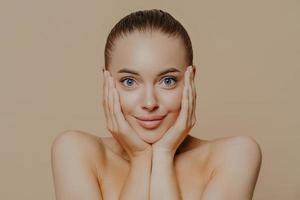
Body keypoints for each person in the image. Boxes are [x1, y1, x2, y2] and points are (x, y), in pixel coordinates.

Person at [51, 9, 262, 200]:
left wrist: (162, 155)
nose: (150, 102)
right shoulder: (77, 152)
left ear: (191, 79)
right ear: (107, 82)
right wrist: (141, 158)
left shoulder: (234, 156)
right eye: (129, 82)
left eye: (167, 81)